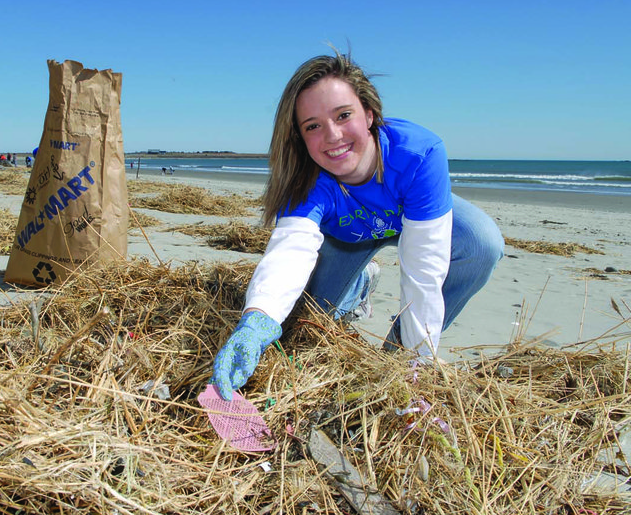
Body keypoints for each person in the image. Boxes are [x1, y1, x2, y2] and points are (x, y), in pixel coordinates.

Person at [211, 51, 504, 401]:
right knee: (303, 327)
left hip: (414, 218)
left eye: (343, 115)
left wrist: (416, 361)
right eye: (313, 126)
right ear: (300, 138)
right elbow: (289, 254)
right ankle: (360, 283)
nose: (332, 135)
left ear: (370, 113)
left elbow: (424, 270)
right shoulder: (307, 180)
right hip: (345, 239)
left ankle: (396, 357)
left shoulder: (418, 154)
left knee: (482, 243)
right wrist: (257, 322)